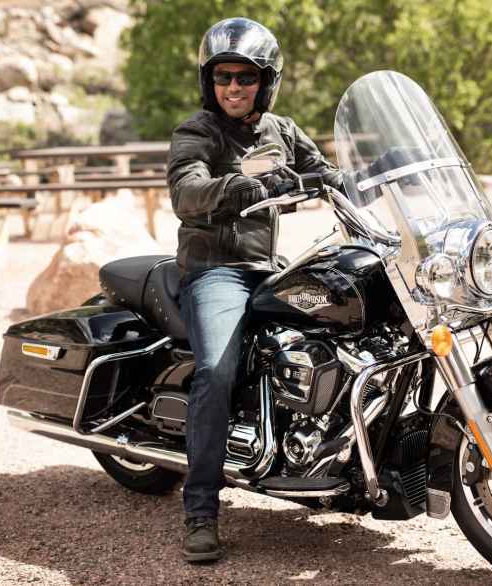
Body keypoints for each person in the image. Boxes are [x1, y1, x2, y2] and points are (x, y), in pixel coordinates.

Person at [166, 16, 344, 563]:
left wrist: (353, 177)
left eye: (245, 77)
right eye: (223, 78)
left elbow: (326, 169)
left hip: (269, 268)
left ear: (266, 82)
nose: (234, 88)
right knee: (217, 372)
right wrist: (242, 184)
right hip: (215, 269)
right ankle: (200, 509)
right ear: (209, 82)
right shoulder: (198, 132)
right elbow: (186, 190)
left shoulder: (283, 131)